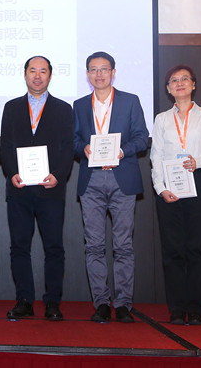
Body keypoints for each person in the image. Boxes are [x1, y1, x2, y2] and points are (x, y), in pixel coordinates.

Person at [73, 51, 148, 323]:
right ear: (87, 74)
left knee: (123, 245)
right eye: (93, 69)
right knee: (94, 245)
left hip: (122, 178)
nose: (99, 74)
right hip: (91, 180)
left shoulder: (130, 101)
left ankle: (124, 303)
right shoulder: (80, 105)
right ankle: (101, 302)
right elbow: (73, 139)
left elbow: (142, 137)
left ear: (113, 72)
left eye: (104, 69)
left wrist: (121, 151)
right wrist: (83, 148)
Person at [0, 56, 74, 321]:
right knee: (19, 247)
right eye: (33, 70)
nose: (38, 76)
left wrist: (58, 175)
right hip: (19, 189)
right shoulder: (11, 107)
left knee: (54, 247)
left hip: (50, 189)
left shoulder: (63, 109)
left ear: (50, 76)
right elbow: (5, 145)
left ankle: (52, 302)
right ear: (25, 74)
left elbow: (68, 147)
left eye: (43, 71)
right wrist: (12, 172)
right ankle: (24, 300)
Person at [150, 65, 201, 325]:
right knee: (172, 250)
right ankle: (177, 308)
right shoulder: (161, 119)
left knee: (196, 248)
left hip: (199, 182)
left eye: (184, 79)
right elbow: (156, 156)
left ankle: (195, 309)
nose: (179, 83)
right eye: (174, 80)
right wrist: (161, 188)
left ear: (193, 85)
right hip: (170, 186)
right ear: (168, 89)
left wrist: (198, 162)